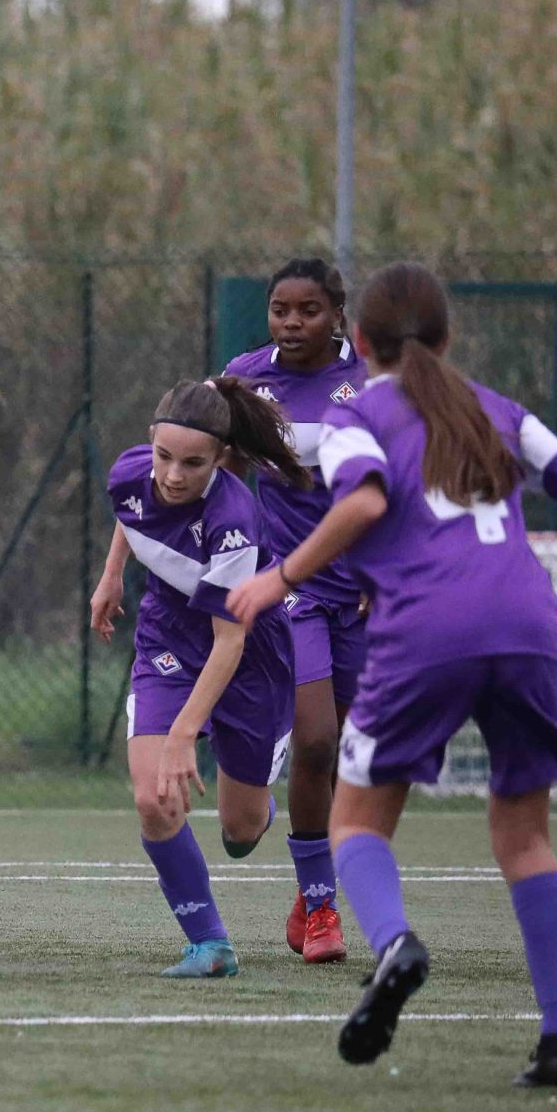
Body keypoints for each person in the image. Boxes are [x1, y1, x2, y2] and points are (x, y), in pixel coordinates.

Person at [228, 261, 557, 1087]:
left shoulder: (358, 414)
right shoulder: (499, 410)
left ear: (359, 337)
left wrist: (281, 577)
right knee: (525, 837)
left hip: (427, 624)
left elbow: (364, 503)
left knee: (357, 822)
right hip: (529, 624)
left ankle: (394, 945)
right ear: (447, 338)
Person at [97, 378, 303, 978]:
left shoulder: (233, 518)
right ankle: (210, 944)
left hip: (249, 654)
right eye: (164, 456)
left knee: (240, 833)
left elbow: (229, 640)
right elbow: (130, 514)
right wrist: (112, 573)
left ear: (221, 459)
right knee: (153, 799)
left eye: (193, 464)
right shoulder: (129, 471)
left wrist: (186, 732)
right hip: (168, 637)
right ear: (150, 443)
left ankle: (259, 808)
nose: (173, 475)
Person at [220, 258, 367, 964]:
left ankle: (312, 885)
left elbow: (402, 481)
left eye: (308, 310)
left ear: (337, 314)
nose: (292, 322)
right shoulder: (246, 380)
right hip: (290, 587)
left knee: (345, 755)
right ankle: (323, 907)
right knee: (314, 740)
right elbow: (217, 471)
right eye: (280, 309)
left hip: (364, 593)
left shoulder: (372, 381)